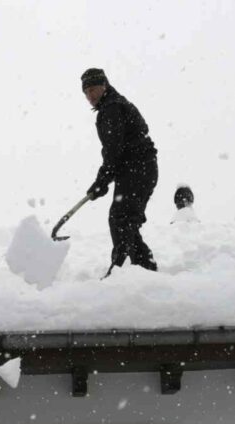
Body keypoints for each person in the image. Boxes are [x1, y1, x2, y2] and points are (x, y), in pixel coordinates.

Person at [81, 68, 159, 275]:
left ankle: (122, 269)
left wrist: (102, 180)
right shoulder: (113, 105)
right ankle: (142, 267)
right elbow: (118, 150)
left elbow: (114, 150)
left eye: (93, 89)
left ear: (104, 85)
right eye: (86, 92)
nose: (90, 96)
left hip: (138, 169)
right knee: (125, 220)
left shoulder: (111, 108)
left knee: (121, 219)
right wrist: (105, 179)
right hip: (139, 169)